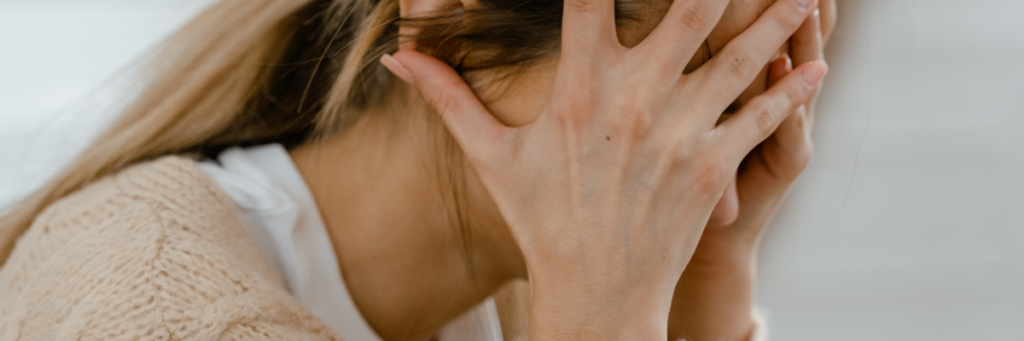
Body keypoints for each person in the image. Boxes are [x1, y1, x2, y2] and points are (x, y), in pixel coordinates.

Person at [0, 0, 834, 339]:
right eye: (674, 113)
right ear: (453, 19)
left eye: (744, 129)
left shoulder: (497, 313)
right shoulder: (147, 307)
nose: (712, 195)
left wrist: (710, 284)